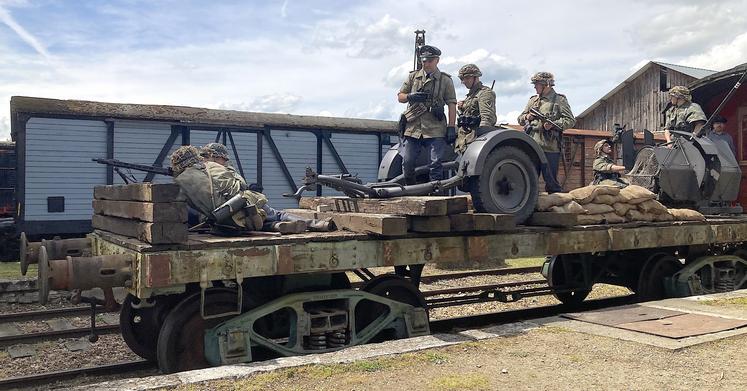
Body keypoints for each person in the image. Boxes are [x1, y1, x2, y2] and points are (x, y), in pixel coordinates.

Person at [172, 145, 334, 234]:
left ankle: (276, 226)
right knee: (277, 214)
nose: (225, 160)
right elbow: (239, 186)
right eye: (223, 158)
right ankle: (317, 224)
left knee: (252, 221)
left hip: (223, 221)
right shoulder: (212, 167)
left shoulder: (181, 181)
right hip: (242, 206)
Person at [397, 44, 457, 185]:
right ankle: (411, 192)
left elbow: (452, 104)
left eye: (430, 61)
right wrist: (410, 96)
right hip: (413, 128)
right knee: (407, 162)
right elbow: (400, 96)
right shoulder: (413, 77)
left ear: (437, 60)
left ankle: (435, 194)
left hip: (435, 127)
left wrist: (451, 127)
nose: (426, 64)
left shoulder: (445, 80)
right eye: (424, 61)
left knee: (435, 164)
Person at [518, 72, 575, 193]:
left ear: (547, 85)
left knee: (551, 182)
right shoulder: (532, 101)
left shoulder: (559, 100)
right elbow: (520, 119)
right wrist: (527, 117)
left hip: (549, 146)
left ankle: (556, 206)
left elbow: (570, 120)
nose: (535, 87)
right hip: (531, 143)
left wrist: (553, 125)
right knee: (528, 179)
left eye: (537, 84)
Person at [454, 63, 496, 154]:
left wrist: (480, 141)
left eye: (467, 78)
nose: (464, 81)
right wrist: (462, 108)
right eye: (462, 79)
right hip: (464, 138)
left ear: (476, 77)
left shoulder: (485, 93)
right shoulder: (470, 96)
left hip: (474, 138)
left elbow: (487, 119)